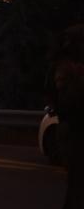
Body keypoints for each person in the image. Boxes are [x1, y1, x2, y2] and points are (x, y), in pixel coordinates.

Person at [46, 24, 84, 209]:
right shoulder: (67, 69)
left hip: (71, 130)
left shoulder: (65, 66)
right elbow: (69, 100)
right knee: (77, 186)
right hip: (73, 131)